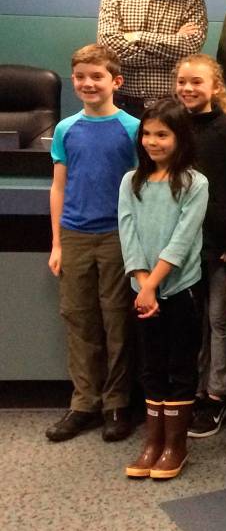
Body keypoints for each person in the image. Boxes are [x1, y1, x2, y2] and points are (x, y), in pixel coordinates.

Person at [46, 44, 139, 443]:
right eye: (81, 76)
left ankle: (116, 403)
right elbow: (59, 186)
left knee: (117, 321)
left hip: (118, 236)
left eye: (97, 76)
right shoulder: (65, 129)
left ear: (115, 81)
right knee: (79, 318)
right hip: (74, 234)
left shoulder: (133, 128)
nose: (88, 83)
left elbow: (141, 188)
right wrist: (57, 243)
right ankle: (84, 402)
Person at [118, 99, 209, 479]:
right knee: (150, 364)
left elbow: (182, 240)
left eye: (162, 135)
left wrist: (153, 285)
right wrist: (143, 285)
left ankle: (175, 445)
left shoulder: (195, 182)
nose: (153, 142)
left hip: (180, 289)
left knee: (179, 366)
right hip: (143, 291)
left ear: (180, 138)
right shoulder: (131, 181)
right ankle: (153, 442)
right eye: (147, 134)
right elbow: (128, 233)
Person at [174, 55, 226, 439]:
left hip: (220, 244)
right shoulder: (173, 126)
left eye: (197, 82)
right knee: (192, 322)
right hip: (181, 243)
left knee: (220, 320)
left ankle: (218, 393)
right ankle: (194, 388)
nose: (188, 88)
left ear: (215, 87)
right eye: (182, 81)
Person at [98, 0, 207, 117]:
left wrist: (136, 37)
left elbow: (189, 48)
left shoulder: (192, 1)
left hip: (172, 109)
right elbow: (109, 48)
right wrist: (171, 46)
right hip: (121, 105)